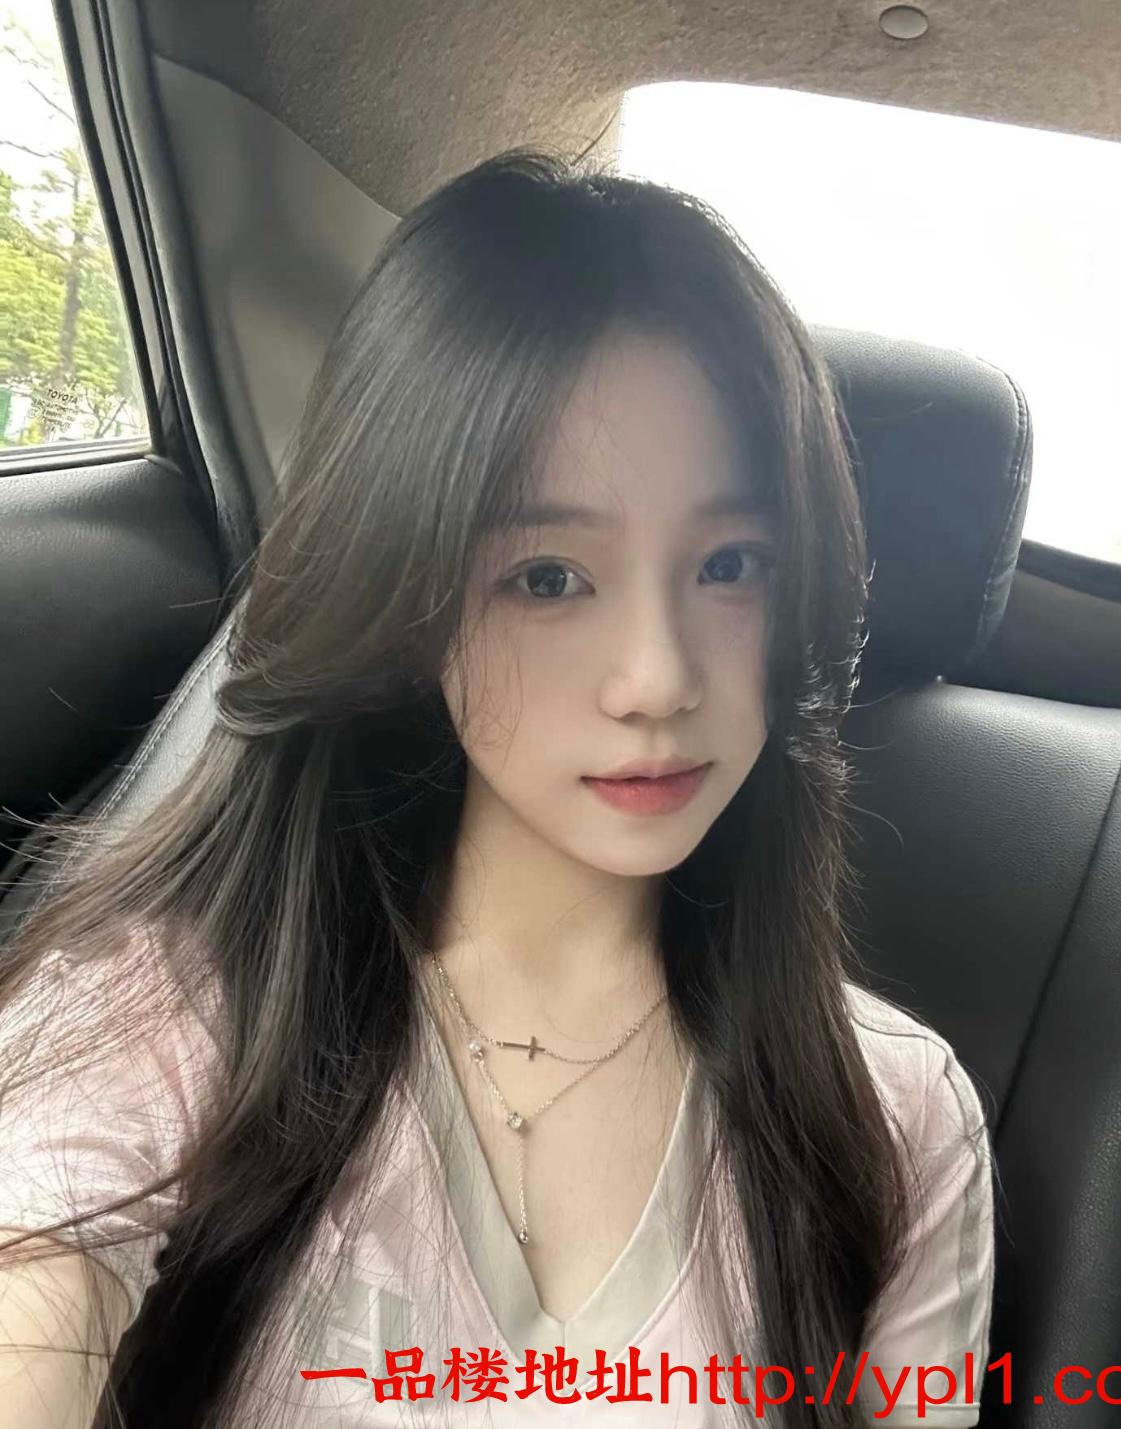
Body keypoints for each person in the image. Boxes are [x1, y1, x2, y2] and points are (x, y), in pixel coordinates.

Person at [0, 147, 994, 1428]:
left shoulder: (895, 1120)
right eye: (548, 578)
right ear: (409, 593)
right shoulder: (163, 1018)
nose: (657, 677)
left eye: (731, 564)